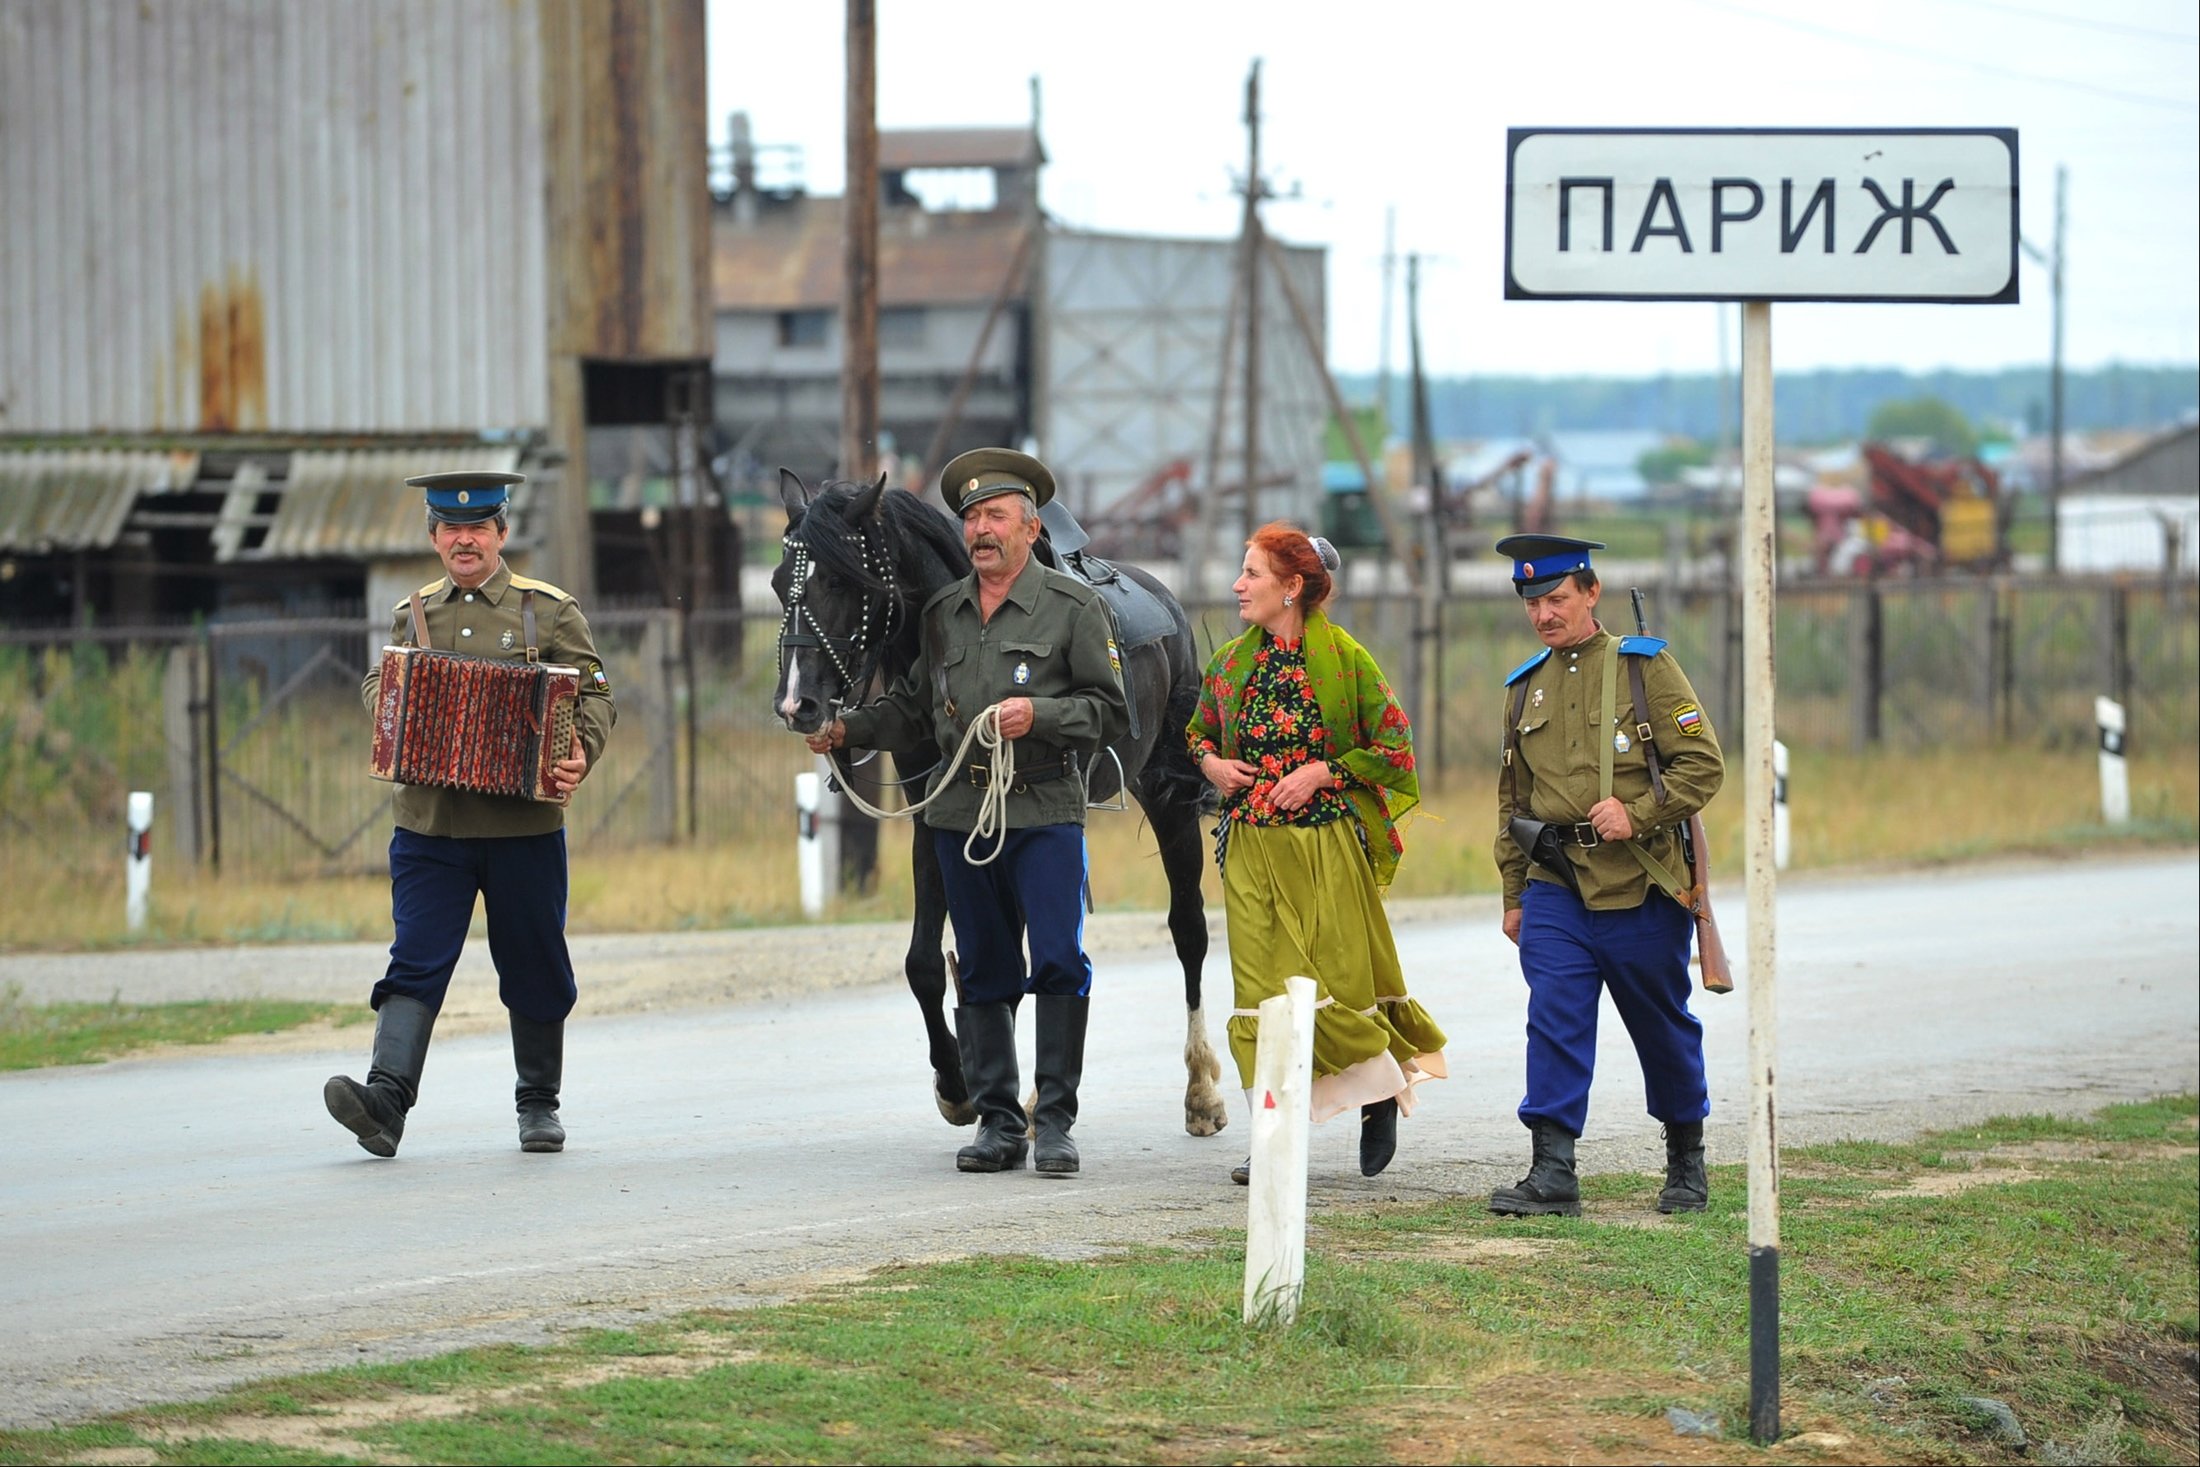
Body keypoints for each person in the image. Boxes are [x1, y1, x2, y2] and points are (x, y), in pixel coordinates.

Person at [805, 447, 1127, 1178]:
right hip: (960, 817)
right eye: (972, 517)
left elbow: (1107, 711)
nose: (981, 530)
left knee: (1056, 961)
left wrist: (1036, 714)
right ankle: (997, 1121)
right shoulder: (944, 614)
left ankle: (1054, 1122)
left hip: (1044, 811)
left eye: (997, 516)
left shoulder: (1075, 608)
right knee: (981, 967)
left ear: (1031, 526)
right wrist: (847, 729)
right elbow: (913, 706)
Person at [324, 470, 616, 1159]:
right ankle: (385, 1102)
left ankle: (538, 1104)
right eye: (451, 529)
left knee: (535, 963)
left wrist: (581, 750)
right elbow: (378, 678)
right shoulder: (412, 612)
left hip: (524, 831)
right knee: (415, 960)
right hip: (430, 827)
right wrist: (393, 707)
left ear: (501, 534)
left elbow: (597, 693)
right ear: (433, 537)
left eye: (478, 527)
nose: (464, 539)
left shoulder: (548, 611)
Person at [1186, 523, 1445, 1184]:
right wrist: (1213, 765)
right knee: (1261, 994)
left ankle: (1380, 1091)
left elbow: (1394, 750)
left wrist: (1323, 772)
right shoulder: (1231, 664)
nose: (1238, 585)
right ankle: (1271, 1134)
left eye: (1252, 573)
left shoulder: (1347, 660)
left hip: (1325, 847)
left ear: (1292, 586)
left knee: (1335, 984)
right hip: (1249, 847)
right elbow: (1197, 734)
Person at [1487, 533, 1724, 1217]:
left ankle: (1686, 1156)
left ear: (1591, 592)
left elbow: (1704, 764)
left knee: (1661, 1026)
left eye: (1557, 598)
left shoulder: (1645, 668)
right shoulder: (1524, 687)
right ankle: (1553, 1168)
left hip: (1642, 883)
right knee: (1554, 1017)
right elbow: (1512, 802)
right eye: (1533, 602)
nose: (1544, 614)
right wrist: (1513, 894)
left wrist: (1641, 811)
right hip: (1557, 883)